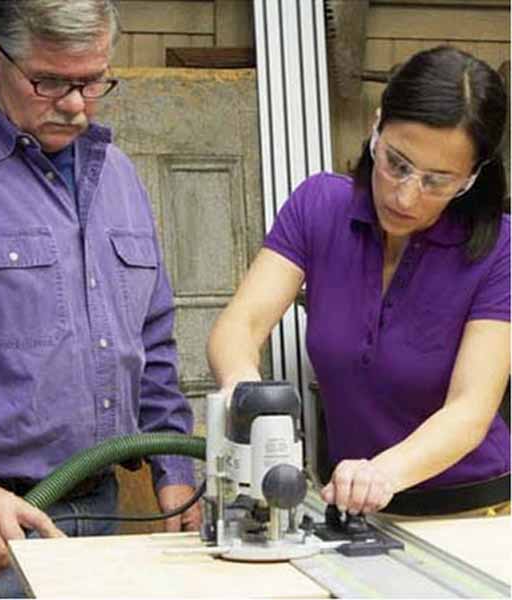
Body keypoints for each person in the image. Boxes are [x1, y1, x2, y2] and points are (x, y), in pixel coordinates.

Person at [0, 1, 200, 597]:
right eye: (49, 82)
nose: (75, 105)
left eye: (93, 81)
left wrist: (175, 469)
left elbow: (153, 339)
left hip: (104, 515)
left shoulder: (118, 176)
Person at [207, 46, 510, 518]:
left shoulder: (500, 250)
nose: (406, 195)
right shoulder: (319, 206)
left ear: (471, 178)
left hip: (471, 513)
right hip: (352, 508)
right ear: (377, 124)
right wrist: (243, 388)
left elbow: (470, 409)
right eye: (398, 163)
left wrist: (382, 473)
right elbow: (241, 324)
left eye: (437, 181)